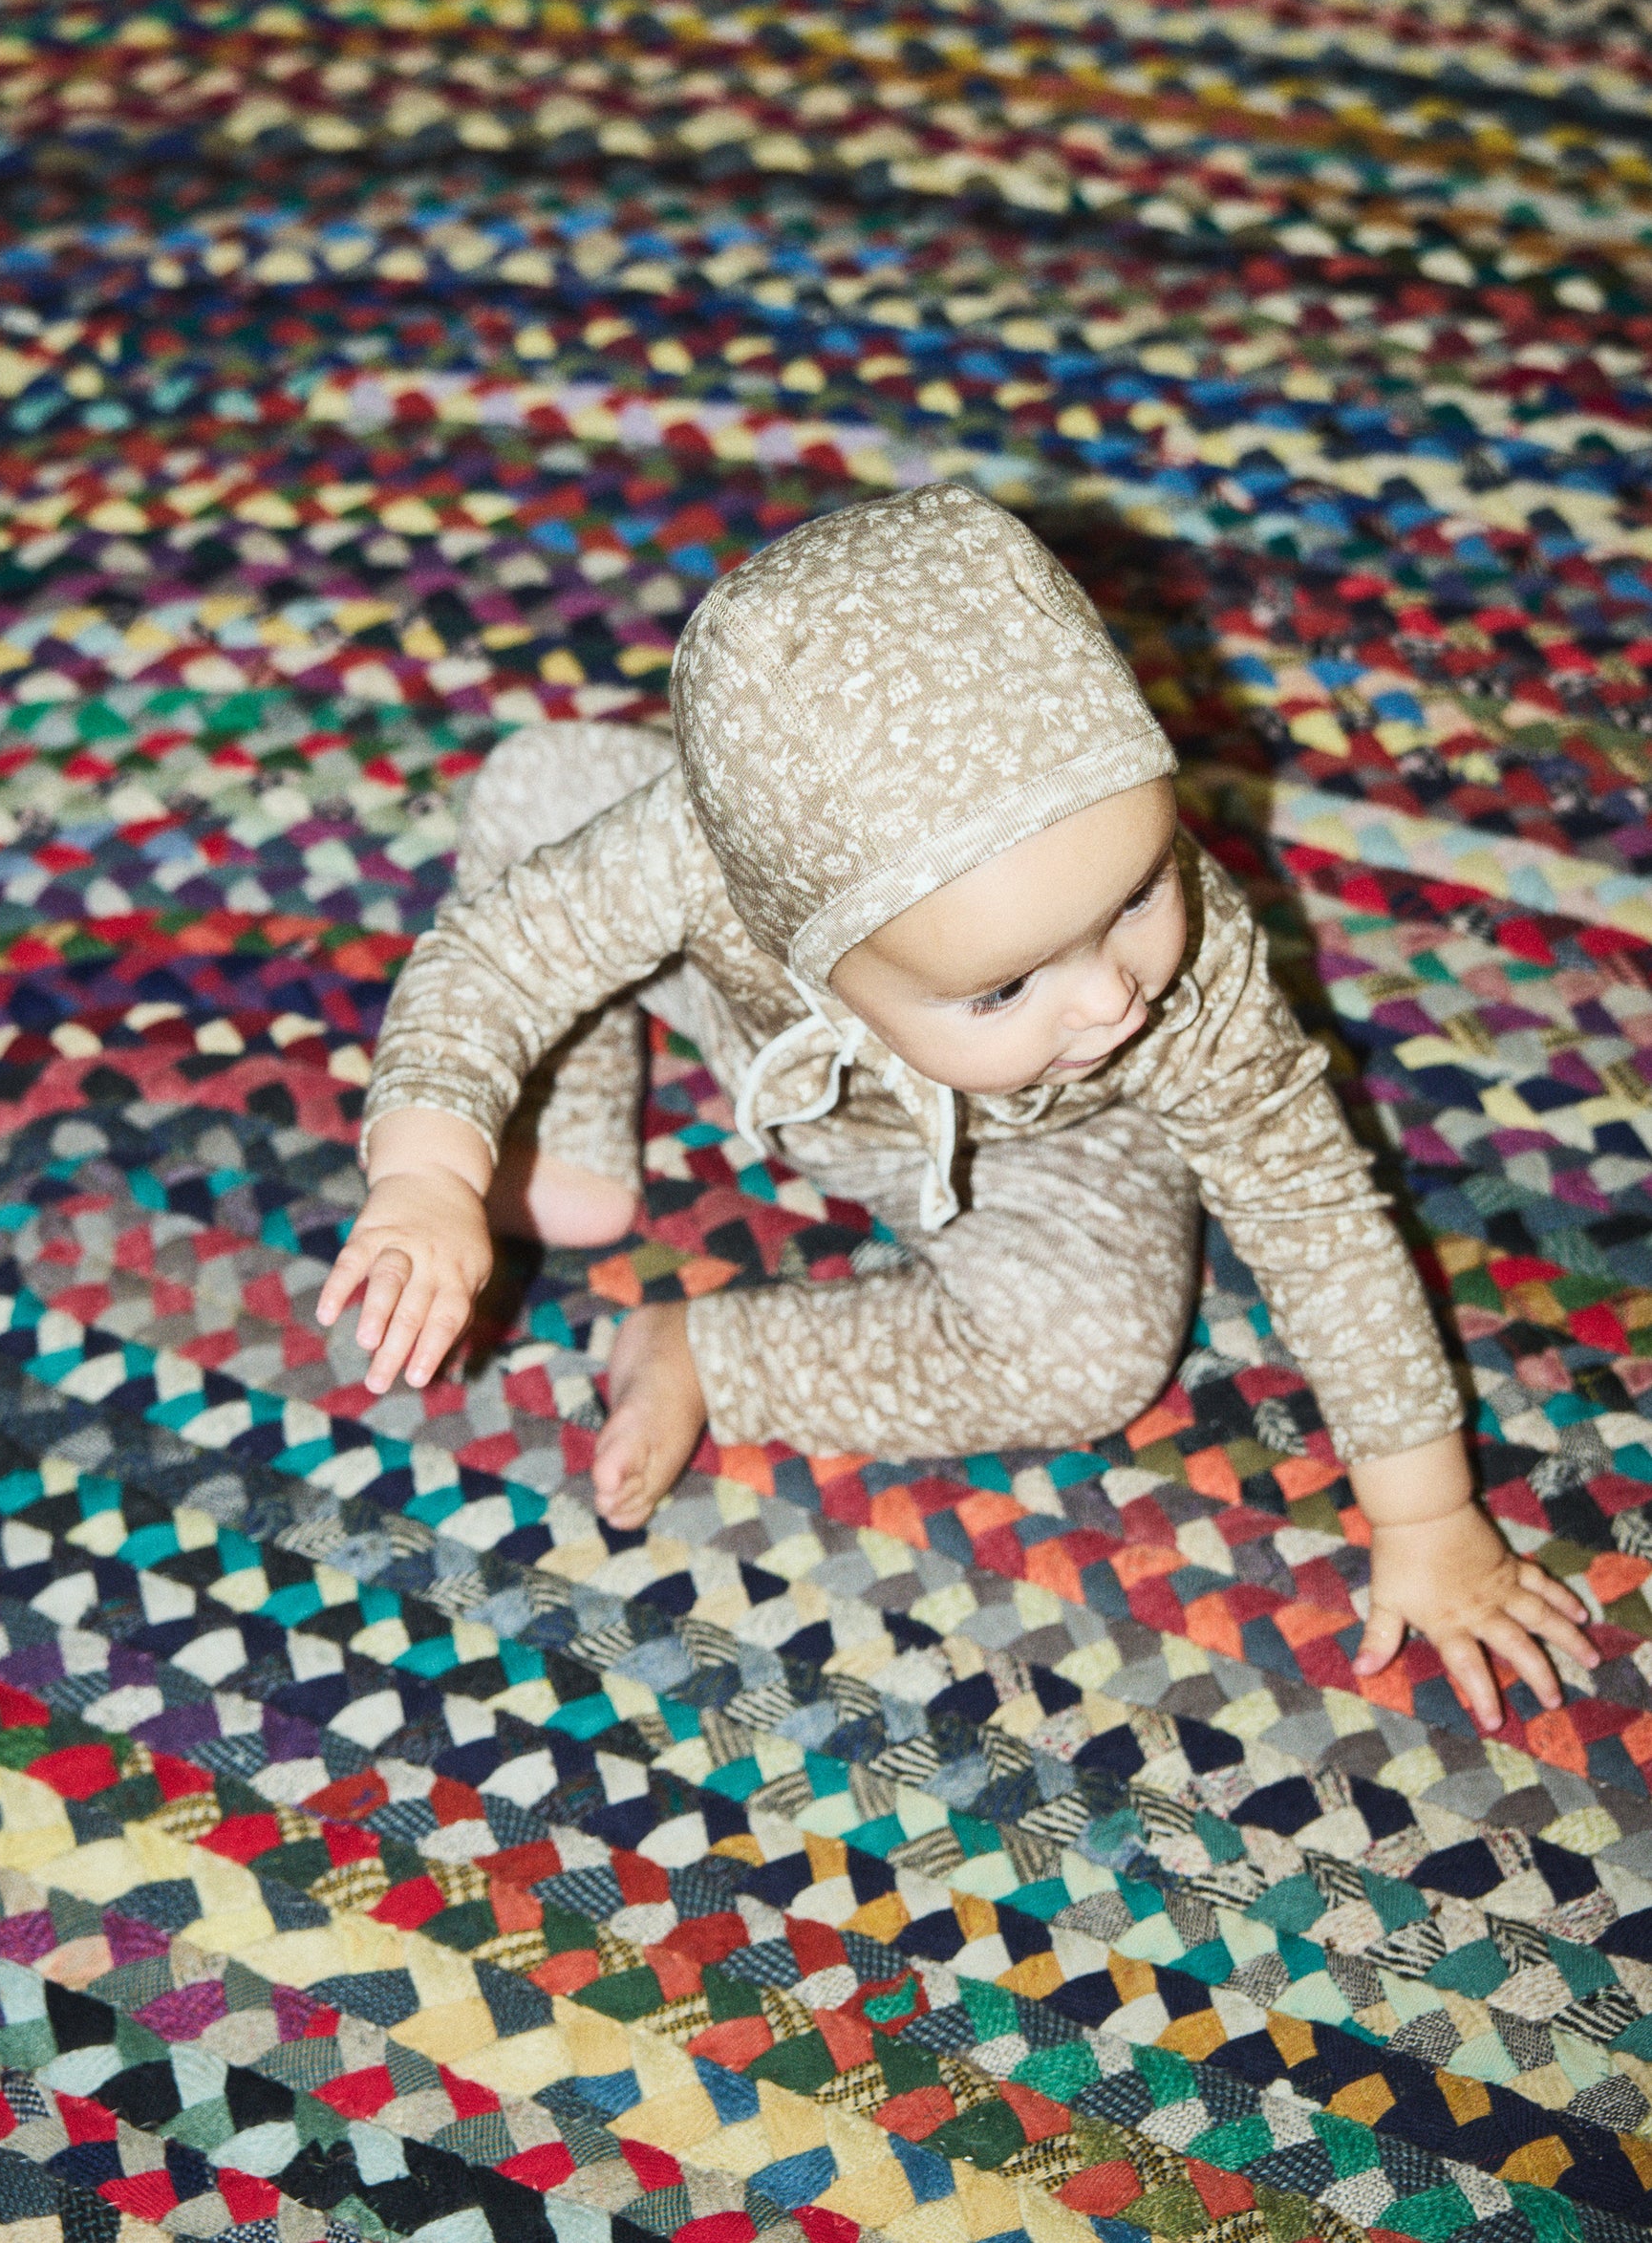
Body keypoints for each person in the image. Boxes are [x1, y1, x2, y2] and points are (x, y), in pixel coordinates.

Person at [315, 485, 1595, 1734]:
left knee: (1092, 1348)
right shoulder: (690, 852)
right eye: (1007, 984)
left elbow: (1313, 1205)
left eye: (1137, 891)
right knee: (546, 780)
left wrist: (1427, 1515)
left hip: (1039, 1148)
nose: (1111, 994)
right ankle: (570, 1133)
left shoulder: (1185, 980)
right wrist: (426, 1168)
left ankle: (706, 1354)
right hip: (764, 1021)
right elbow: (494, 959)